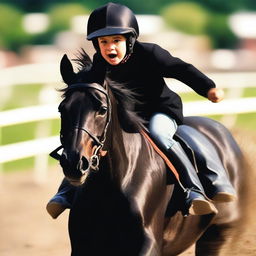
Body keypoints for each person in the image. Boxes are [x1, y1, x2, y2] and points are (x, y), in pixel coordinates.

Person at [47, 2, 236, 219]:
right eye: (104, 42)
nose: (110, 48)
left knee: (159, 134)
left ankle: (193, 190)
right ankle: (66, 191)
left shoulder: (150, 53)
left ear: (130, 40)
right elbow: (87, 88)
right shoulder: (100, 63)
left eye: (116, 41)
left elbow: (181, 69)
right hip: (126, 116)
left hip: (159, 111)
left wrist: (208, 88)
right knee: (91, 142)